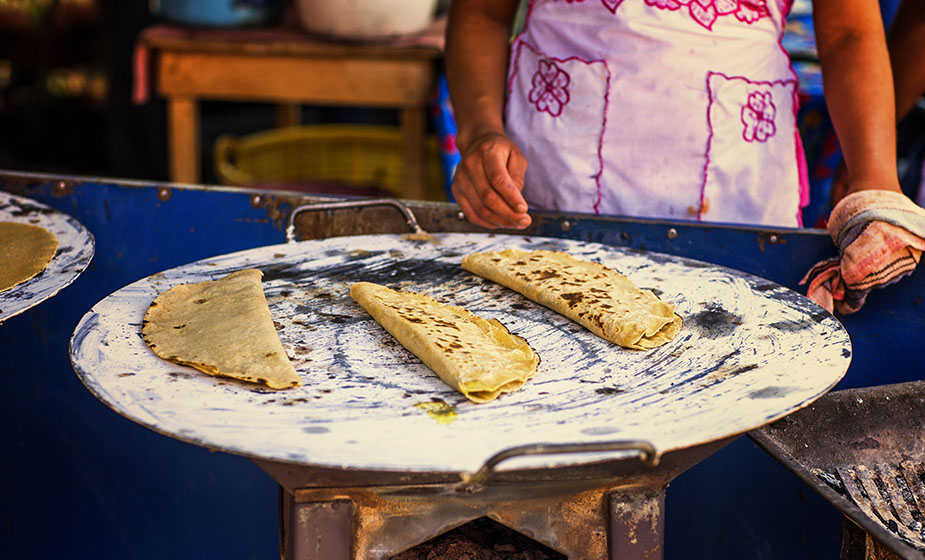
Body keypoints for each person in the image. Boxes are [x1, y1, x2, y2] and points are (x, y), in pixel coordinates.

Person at [445, 0, 903, 230]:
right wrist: (481, 129)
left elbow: (848, 34)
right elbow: (482, 13)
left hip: (740, 194)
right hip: (557, 191)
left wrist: (876, 179)